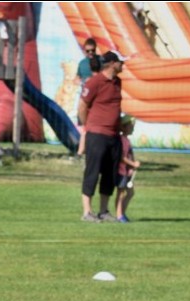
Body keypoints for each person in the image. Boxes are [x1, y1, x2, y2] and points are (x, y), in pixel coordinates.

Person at [77, 50, 125, 222]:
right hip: (97, 134)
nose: (123, 65)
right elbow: (82, 105)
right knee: (93, 171)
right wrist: (86, 126)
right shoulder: (95, 82)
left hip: (113, 136)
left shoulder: (118, 82)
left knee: (109, 174)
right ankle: (87, 212)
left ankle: (103, 211)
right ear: (112, 63)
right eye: (121, 62)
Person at [115, 114, 140, 223]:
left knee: (130, 192)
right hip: (121, 171)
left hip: (126, 171)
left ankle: (122, 213)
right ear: (124, 127)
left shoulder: (126, 140)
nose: (133, 127)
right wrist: (133, 164)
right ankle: (119, 215)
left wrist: (132, 167)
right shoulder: (122, 140)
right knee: (121, 193)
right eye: (131, 126)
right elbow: (122, 157)